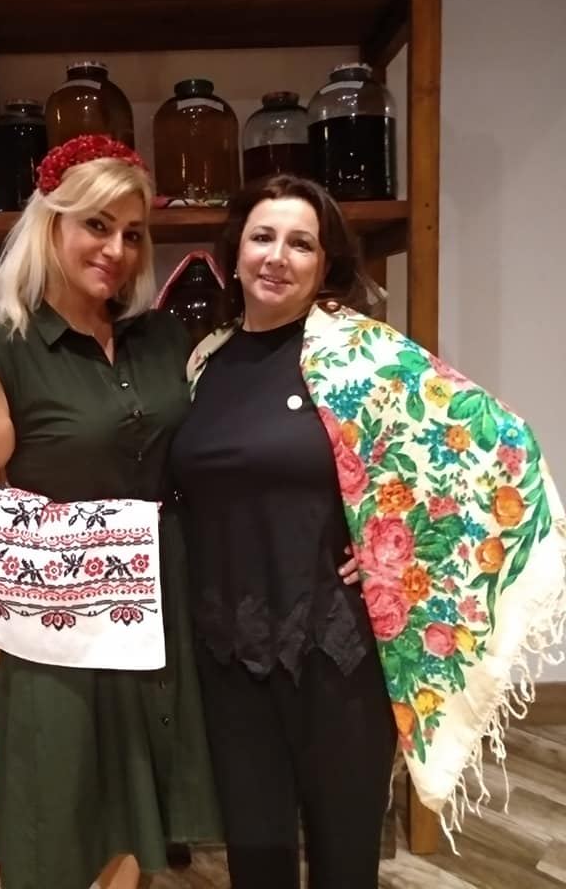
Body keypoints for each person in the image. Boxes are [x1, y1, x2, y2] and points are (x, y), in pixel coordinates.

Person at [171, 174, 566, 889]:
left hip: (336, 645)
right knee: (254, 853)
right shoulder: (205, 362)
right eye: (263, 237)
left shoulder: (364, 357)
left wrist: (401, 535)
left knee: (344, 850)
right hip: (229, 647)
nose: (277, 256)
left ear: (325, 263)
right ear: (235, 252)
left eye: (301, 243)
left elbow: (494, 443)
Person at [0, 135, 221, 889]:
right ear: (52, 225)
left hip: (162, 604)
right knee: (66, 801)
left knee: (137, 794)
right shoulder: (2, 352)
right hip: (62, 621)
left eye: (133, 233)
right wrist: (81, 545)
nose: (117, 250)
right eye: (97, 225)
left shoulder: (161, 338)